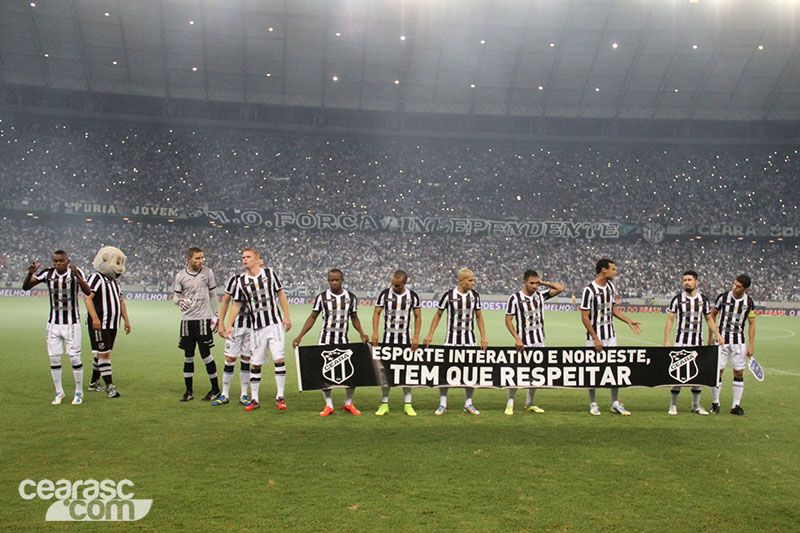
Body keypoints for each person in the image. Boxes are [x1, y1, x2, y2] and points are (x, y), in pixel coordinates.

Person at [292, 269, 369, 417]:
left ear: (342, 280)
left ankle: (348, 403)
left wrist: (361, 333)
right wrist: (300, 335)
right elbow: (313, 317)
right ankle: (329, 405)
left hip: (344, 340)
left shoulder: (350, 298)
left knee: (350, 373)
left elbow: (354, 317)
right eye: (331, 280)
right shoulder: (322, 297)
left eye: (337, 280)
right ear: (328, 281)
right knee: (325, 373)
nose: (334, 283)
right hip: (325, 340)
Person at [222, 248, 292, 412]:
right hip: (256, 328)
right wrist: (229, 324)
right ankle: (254, 399)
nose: (245, 260)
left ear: (256, 259)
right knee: (255, 364)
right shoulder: (241, 281)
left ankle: (280, 397)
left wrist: (286, 316)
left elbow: (280, 294)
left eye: (248, 257)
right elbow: (236, 304)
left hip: (274, 325)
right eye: (243, 257)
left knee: (279, 360)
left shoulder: (269, 274)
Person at [22, 250, 92, 405]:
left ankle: (79, 392)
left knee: (74, 358)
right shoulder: (48, 273)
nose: (58, 264)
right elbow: (26, 287)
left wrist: (78, 276)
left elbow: (88, 291)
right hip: (53, 323)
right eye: (55, 261)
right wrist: (30, 274)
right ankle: (59, 392)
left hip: (72, 323)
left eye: (61, 261)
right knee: (54, 358)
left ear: (67, 261)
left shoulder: (76, 272)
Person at [580, 258, 641, 416]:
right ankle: (593, 403)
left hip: (610, 336)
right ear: (603, 270)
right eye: (613, 269)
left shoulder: (611, 287)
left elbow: (613, 309)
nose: (615, 272)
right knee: (593, 370)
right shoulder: (589, 290)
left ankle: (615, 403)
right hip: (595, 337)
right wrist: (595, 338)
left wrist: (628, 321)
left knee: (614, 369)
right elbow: (585, 317)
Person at [423, 268, 488, 416]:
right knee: (445, 372)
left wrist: (483, 337)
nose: (473, 283)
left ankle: (468, 403)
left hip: (469, 341)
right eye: (470, 280)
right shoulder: (449, 296)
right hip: (451, 341)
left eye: (473, 280)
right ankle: (443, 403)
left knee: (470, 372)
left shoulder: (475, 296)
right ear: (461, 281)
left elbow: (479, 316)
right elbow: (438, 315)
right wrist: (430, 335)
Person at [663, 270, 724, 415]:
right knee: (677, 373)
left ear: (696, 282)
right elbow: (670, 319)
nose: (686, 282)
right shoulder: (677, 299)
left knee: (697, 375)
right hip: (681, 342)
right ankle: (673, 405)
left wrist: (717, 334)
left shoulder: (703, 299)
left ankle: (695, 405)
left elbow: (709, 319)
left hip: (697, 343)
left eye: (689, 280)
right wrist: (666, 339)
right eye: (684, 280)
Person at [504, 269, 564, 415]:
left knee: (535, 374)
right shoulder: (515, 298)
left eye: (537, 283)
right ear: (524, 282)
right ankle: (510, 402)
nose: (535, 286)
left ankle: (529, 403)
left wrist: (542, 282)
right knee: (517, 373)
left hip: (539, 341)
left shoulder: (540, 295)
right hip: (523, 343)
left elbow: (560, 288)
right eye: (532, 283)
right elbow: (508, 320)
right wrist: (517, 338)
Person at [371, 269, 422, 417]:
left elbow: (418, 317)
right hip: (388, 340)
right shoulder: (384, 294)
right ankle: (384, 404)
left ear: (405, 283)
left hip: (405, 340)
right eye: (392, 283)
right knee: (385, 373)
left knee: (406, 373)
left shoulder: (412, 296)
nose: (394, 287)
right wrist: (375, 332)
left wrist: (416, 337)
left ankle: (408, 404)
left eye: (397, 285)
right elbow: (377, 313)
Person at [173, 247, 220, 402]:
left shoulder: (208, 273)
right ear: (189, 259)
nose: (200, 261)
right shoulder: (180, 276)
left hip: (203, 320)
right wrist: (179, 302)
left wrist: (216, 315)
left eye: (202, 258)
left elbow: (213, 295)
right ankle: (188, 391)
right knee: (188, 356)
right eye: (197, 258)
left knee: (206, 355)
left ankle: (215, 389)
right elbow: (175, 297)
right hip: (187, 321)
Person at [84, 246, 131, 399]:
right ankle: (110, 387)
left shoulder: (115, 281)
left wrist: (126, 320)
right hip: (100, 323)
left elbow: (121, 300)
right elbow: (87, 298)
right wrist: (95, 318)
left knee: (103, 352)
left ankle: (94, 382)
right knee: (105, 354)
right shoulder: (95, 278)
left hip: (112, 323)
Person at [213, 261, 259, 407]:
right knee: (230, 358)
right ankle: (224, 394)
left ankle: (244, 394)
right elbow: (226, 300)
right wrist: (221, 323)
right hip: (235, 326)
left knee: (246, 359)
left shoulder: (263, 282)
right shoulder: (236, 280)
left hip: (252, 327)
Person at [709, 275, 756, 416]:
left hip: (738, 341)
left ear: (746, 288)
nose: (735, 288)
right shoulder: (723, 297)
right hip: (722, 340)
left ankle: (736, 405)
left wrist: (751, 345)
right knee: (718, 371)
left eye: (739, 286)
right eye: (734, 284)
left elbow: (752, 323)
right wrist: (712, 335)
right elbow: (712, 315)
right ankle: (715, 403)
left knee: (739, 372)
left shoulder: (749, 302)